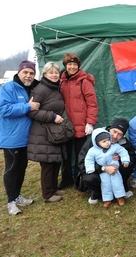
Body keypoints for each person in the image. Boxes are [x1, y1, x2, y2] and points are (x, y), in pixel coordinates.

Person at [0, 60, 40, 215]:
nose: (28, 76)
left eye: (31, 73)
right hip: (11, 138)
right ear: (19, 72)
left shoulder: (32, 88)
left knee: (22, 167)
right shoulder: (8, 88)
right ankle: (11, 201)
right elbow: (3, 109)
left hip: (25, 137)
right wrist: (28, 106)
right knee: (12, 168)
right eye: (25, 72)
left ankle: (18, 195)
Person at [27, 62, 67, 203]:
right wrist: (52, 116)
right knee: (48, 164)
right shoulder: (41, 90)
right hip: (43, 132)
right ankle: (47, 194)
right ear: (44, 74)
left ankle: (54, 188)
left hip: (53, 132)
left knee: (56, 161)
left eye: (56, 72)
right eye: (51, 72)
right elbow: (31, 112)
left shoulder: (54, 88)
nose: (54, 75)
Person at [59, 53, 98, 189]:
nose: (72, 67)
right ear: (65, 66)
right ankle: (66, 179)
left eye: (75, 64)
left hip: (81, 125)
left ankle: (81, 180)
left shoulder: (84, 81)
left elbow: (92, 104)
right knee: (66, 155)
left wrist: (90, 122)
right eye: (69, 64)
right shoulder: (61, 81)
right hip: (65, 125)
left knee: (81, 154)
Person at [78, 118, 136, 204]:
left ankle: (122, 186)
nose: (115, 136)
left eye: (120, 134)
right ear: (110, 129)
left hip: (115, 172)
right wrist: (103, 168)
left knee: (128, 167)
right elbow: (82, 161)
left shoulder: (124, 143)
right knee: (90, 177)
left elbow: (132, 159)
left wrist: (121, 159)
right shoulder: (95, 139)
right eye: (114, 131)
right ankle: (97, 192)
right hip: (98, 171)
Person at [85, 128, 130, 207]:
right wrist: (90, 169)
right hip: (103, 172)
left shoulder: (114, 146)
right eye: (104, 141)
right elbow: (89, 160)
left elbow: (123, 151)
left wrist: (125, 160)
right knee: (105, 185)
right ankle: (107, 199)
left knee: (117, 183)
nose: (107, 143)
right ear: (97, 142)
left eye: (108, 140)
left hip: (115, 170)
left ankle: (120, 197)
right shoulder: (92, 151)